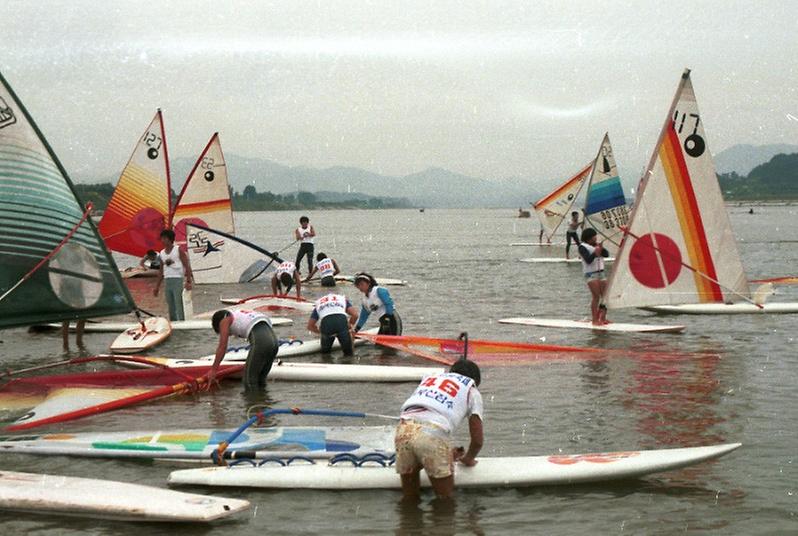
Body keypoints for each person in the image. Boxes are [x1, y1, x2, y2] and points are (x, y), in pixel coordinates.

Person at [395, 359, 484, 500]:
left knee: (409, 500)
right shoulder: (472, 391)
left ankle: (408, 521)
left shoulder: (432, 379)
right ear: (476, 381)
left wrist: (447, 453)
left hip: (403, 428)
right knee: (445, 503)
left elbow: (419, 429)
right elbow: (478, 441)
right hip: (433, 434)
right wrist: (468, 459)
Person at [206, 309, 278, 389]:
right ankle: (263, 400)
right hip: (274, 343)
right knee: (260, 380)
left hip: (262, 342)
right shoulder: (238, 314)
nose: (229, 334)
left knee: (249, 382)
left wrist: (214, 370)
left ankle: (252, 401)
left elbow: (222, 346)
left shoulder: (224, 319)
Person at [153, 229, 193, 321]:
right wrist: (157, 287)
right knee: (170, 304)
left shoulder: (178, 250)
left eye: (165, 238)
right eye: (162, 238)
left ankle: (182, 322)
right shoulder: (162, 253)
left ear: (170, 239)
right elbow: (161, 271)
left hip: (177, 280)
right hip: (167, 281)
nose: (163, 240)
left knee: (179, 303)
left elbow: (187, 266)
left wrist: (188, 281)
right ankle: (173, 322)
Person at [578, 227, 610, 325]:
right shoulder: (582, 247)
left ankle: (603, 318)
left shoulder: (596, 245)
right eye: (593, 237)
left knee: (605, 296)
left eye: (595, 237)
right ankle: (595, 320)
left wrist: (601, 248)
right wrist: (595, 253)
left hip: (601, 273)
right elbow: (588, 260)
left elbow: (606, 254)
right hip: (591, 274)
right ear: (588, 238)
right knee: (596, 297)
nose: (595, 239)